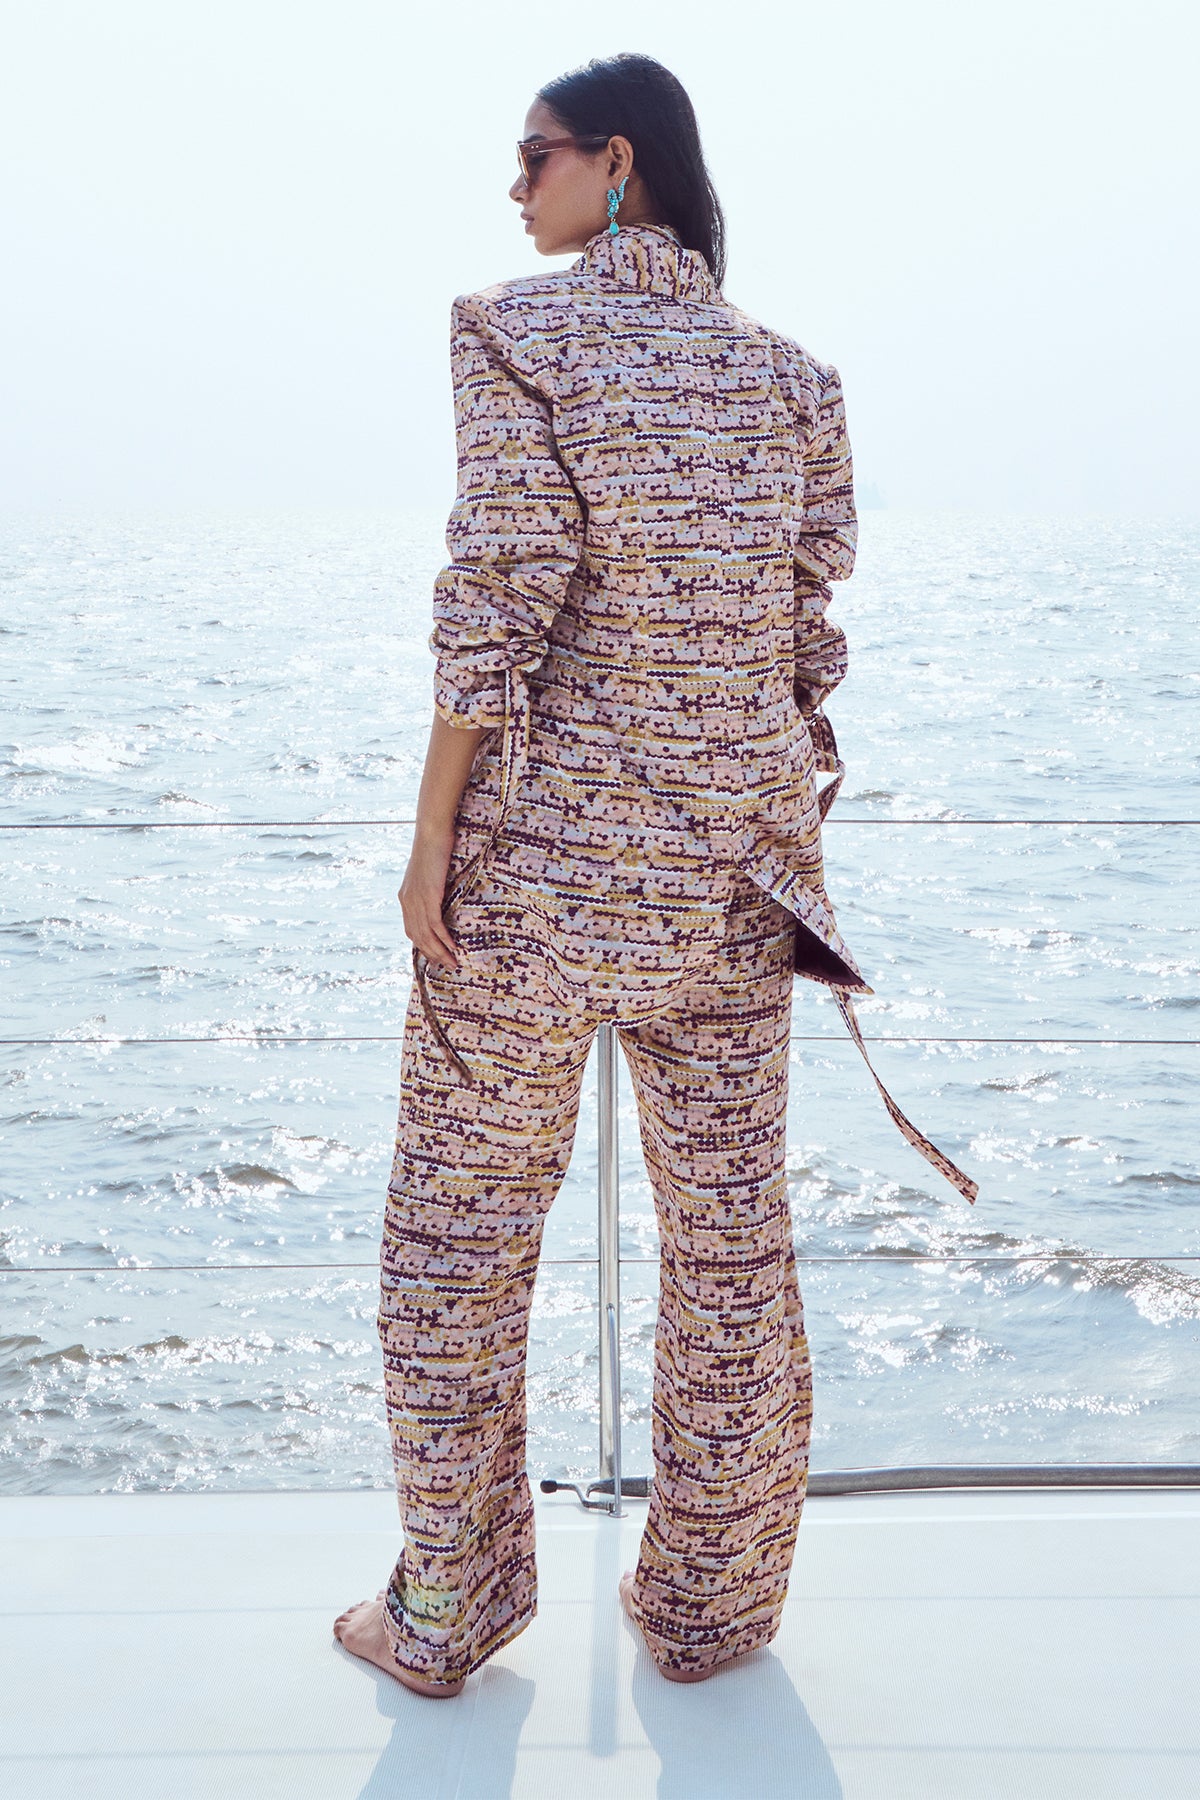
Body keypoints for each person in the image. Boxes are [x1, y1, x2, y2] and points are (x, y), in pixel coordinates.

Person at [333, 50, 977, 1698]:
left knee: (456, 1248)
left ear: (617, 162)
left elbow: (499, 596)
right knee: (730, 1253)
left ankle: (449, 1609)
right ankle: (707, 1609)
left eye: (534, 155)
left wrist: (428, 841)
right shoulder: (797, 382)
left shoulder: (510, 333)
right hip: (731, 891)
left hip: (534, 892)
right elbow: (804, 640)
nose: (514, 186)